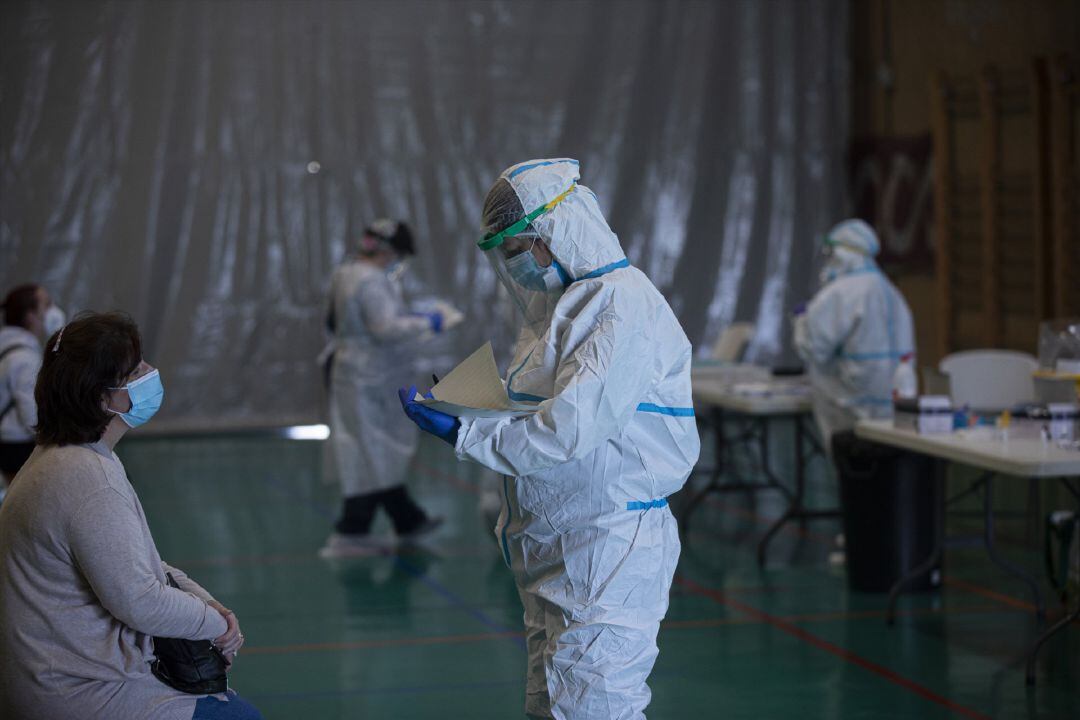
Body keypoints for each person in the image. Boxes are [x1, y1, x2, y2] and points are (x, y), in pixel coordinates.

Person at [399, 158, 701, 719]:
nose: (516, 263)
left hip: (607, 544)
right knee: (554, 703)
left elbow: (567, 430)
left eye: (521, 246)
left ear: (560, 230)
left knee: (594, 707)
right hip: (555, 541)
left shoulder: (619, 304)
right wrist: (469, 410)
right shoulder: (559, 307)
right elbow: (535, 409)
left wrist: (467, 435)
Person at [0, 312, 262, 720]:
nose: (151, 373)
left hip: (53, 676)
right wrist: (216, 624)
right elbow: (139, 601)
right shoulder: (87, 478)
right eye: (136, 370)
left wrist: (210, 606)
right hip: (71, 693)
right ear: (104, 398)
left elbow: (141, 565)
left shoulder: (68, 457)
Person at [322, 219, 444, 556]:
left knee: (373, 451)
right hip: (370, 377)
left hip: (353, 371)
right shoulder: (372, 281)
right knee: (372, 452)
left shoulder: (345, 272)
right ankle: (353, 530)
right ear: (391, 251)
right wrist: (426, 322)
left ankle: (407, 520)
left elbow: (332, 321)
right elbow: (384, 328)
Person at [793, 218, 916, 445]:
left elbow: (812, 349)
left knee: (853, 468)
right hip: (893, 409)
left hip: (849, 406)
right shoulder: (891, 292)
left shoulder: (840, 293)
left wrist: (802, 321)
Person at [0, 284, 65, 488]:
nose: (52, 310)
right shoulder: (24, 358)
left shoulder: (8, 348)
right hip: (17, 447)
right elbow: (32, 416)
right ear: (30, 316)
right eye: (46, 304)